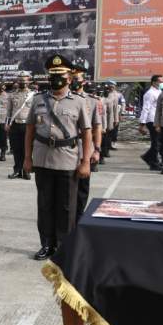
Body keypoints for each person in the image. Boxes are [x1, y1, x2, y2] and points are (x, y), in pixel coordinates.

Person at [23, 54, 92, 260]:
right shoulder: (38, 100)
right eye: (52, 75)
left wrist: (86, 161)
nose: (56, 79)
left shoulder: (79, 102)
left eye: (60, 75)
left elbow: (87, 133)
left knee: (66, 208)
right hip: (42, 159)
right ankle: (46, 244)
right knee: (44, 206)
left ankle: (64, 247)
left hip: (67, 160)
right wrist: (27, 158)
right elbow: (29, 130)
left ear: (69, 78)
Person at [70, 65, 103, 222]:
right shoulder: (62, 98)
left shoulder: (92, 101)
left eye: (77, 79)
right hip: (65, 149)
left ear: (83, 81)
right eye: (72, 78)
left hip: (85, 148)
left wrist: (96, 150)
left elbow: (97, 127)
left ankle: (78, 218)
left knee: (82, 188)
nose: (74, 81)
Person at [6, 71, 34, 179]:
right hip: (15, 125)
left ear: (28, 81)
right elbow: (9, 111)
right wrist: (7, 124)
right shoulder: (12, 95)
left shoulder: (33, 95)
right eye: (20, 80)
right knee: (16, 149)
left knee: (27, 149)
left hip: (27, 126)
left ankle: (26, 170)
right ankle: (17, 170)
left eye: (24, 80)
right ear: (17, 81)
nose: (22, 82)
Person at [139, 75, 163, 170]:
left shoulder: (159, 92)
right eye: (160, 81)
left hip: (159, 120)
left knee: (159, 142)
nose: (162, 83)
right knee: (156, 143)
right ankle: (154, 163)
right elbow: (145, 108)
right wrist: (142, 124)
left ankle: (147, 157)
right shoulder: (150, 93)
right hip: (152, 120)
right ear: (154, 82)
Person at [0, 81, 9, 161]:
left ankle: (3, 154)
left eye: (2, 87)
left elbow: (9, 109)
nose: (0, 89)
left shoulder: (7, 96)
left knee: (3, 138)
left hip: (4, 120)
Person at [106, 81, 121, 149]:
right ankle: (106, 145)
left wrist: (120, 115)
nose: (111, 87)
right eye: (110, 85)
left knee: (113, 131)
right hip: (104, 116)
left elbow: (119, 105)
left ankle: (111, 144)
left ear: (115, 86)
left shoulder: (118, 95)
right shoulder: (105, 93)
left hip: (113, 115)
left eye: (112, 86)